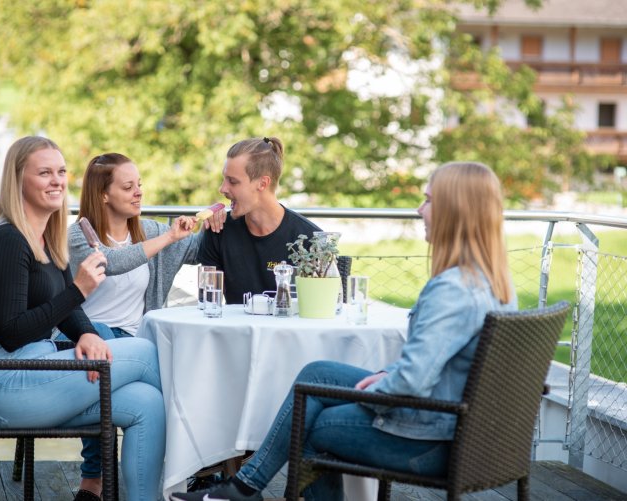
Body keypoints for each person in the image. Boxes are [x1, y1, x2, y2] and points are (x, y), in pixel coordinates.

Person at [170, 161, 518, 501]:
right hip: (470, 434)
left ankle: (242, 488)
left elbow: (414, 381)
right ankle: (243, 488)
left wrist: (385, 382)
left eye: (428, 200)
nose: (418, 209)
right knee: (317, 374)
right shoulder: (493, 283)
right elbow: (436, 362)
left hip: (430, 439)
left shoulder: (451, 289)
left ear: (454, 212)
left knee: (311, 424)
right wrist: (387, 372)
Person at [0, 136, 165, 501]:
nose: (57, 180)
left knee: (147, 404)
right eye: (44, 173)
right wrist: (79, 289)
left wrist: (87, 334)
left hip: (30, 370)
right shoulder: (8, 240)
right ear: (18, 180)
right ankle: (211, 459)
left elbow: (67, 310)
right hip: (0, 382)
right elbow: (11, 333)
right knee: (148, 354)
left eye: (61, 171)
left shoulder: (43, 236)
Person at [67, 152, 220, 491]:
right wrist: (168, 238)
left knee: (154, 391)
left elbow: (198, 251)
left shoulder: (148, 230)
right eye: (128, 187)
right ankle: (94, 477)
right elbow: (111, 261)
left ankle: (193, 467)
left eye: (140, 185)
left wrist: (216, 222)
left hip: (139, 341)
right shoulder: (78, 236)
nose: (138, 193)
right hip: (87, 339)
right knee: (104, 344)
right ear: (103, 194)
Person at [198, 136, 321, 304]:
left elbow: (323, 311)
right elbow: (208, 303)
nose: (222, 189)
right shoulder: (217, 231)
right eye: (224, 179)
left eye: (233, 181)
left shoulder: (311, 240)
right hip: (235, 330)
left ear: (263, 183)